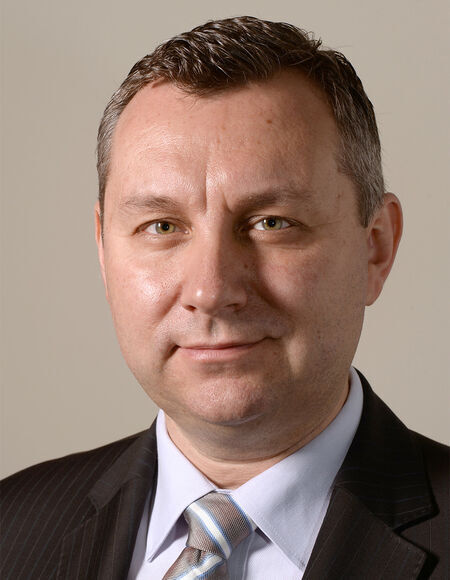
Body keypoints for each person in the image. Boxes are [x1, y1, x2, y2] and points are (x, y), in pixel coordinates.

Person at [1, 15, 448, 580]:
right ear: (103, 251)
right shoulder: (12, 530)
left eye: (272, 222)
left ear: (376, 247)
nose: (211, 291)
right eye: (162, 226)